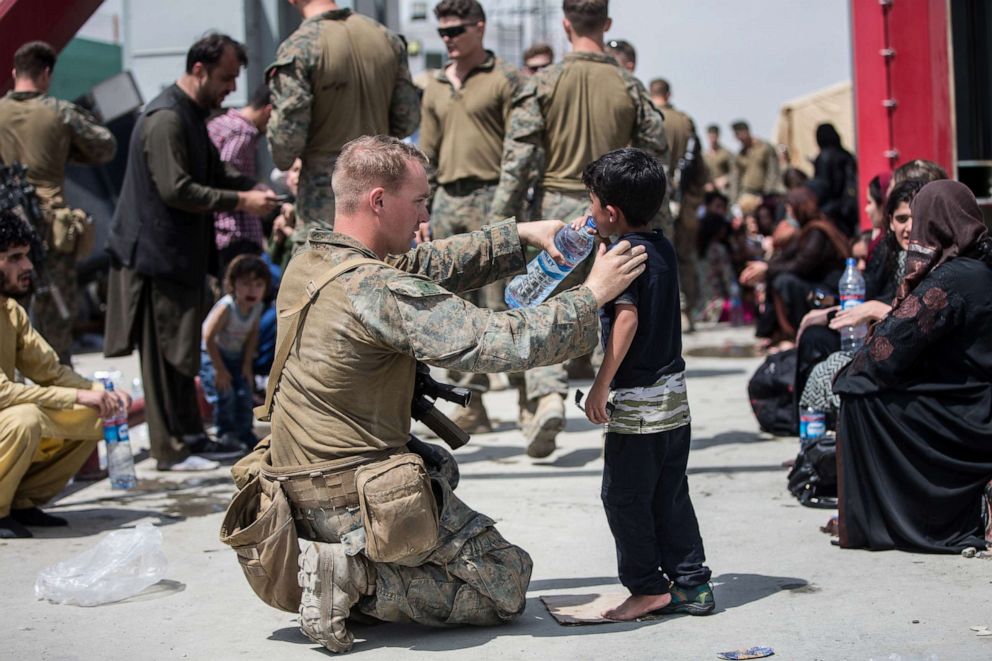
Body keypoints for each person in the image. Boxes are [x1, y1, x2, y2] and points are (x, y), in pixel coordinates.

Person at [261, 135, 648, 653]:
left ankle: (347, 567)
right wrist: (591, 295)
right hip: (344, 497)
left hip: (297, 490)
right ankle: (354, 576)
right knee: (505, 581)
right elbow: (495, 342)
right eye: (419, 201)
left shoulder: (314, 261)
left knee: (437, 466)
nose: (426, 215)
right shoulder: (376, 290)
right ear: (379, 200)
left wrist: (522, 237)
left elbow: (428, 265)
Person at [489, 0, 668, 457]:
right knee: (611, 305)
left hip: (558, 214)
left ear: (566, 25)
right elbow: (655, 151)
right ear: (606, 25)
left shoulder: (544, 82)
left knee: (544, 304)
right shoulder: (628, 85)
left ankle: (548, 393)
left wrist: (503, 220)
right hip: (619, 214)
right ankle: (609, 401)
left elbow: (520, 156)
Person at [104, 34, 279, 472]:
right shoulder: (165, 118)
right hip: (156, 257)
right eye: (225, 78)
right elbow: (176, 188)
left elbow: (213, 171)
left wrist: (250, 187)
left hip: (179, 256)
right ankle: (171, 449)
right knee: (165, 357)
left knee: (182, 353)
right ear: (199, 69)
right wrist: (241, 202)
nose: (230, 89)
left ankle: (192, 438)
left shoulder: (192, 115)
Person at [573, 148, 712, 621]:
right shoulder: (659, 245)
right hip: (674, 397)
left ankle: (648, 588)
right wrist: (599, 243)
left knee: (625, 496)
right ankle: (693, 584)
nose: (589, 211)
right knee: (669, 490)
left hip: (637, 401)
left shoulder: (622, 253)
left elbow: (626, 318)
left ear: (611, 211)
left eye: (592, 203)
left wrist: (600, 385)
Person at [834, 180, 992, 553]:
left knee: (857, 393)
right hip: (976, 401)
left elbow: (883, 355)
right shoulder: (980, 265)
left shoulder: (950, 279)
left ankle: (895, 521)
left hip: (970, 414)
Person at [419, 0, 523, 433]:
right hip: (447, 199)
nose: (449, 39)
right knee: (455, 307)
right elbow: (425, 156)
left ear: (480, 28)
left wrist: (507, 206)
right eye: (442, 31)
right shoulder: (436, 86)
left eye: (457, 29)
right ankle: (471, 402)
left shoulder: (505, 80)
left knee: (503, 304)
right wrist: (421, 207)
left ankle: (529, 399)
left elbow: (519, 151)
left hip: (492, 196)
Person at [0, 211, 130, 538]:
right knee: (25, 419)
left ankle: (21, 501)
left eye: (26, 257)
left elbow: (50, 371)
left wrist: (99, 391)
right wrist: (77, 394)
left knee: (97, 412)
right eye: (15, 258)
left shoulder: (10, 311)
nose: (28, 267)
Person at [0, 41, 117, 365]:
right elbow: (105, 146)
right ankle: (58, 393)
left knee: (6, 318)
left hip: (6, 230)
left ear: (14, 73)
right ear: (46, 74)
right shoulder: (59, 112)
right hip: (51, 231)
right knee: (56, 326)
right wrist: (66, 150)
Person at [266, 0, 420, 244]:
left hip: (327, 201)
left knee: (323, 276)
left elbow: (285, 146)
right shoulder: (384, 38)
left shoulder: (299, 47)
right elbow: (407, 119)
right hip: (382, 193)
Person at [796, 179, 924, 418]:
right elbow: (867, 297)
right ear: (890, 221)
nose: (908, 228)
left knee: (832, 363)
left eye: (916, 218)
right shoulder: (890, 253)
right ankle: (812, 436)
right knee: (814, 337)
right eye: (901, 219)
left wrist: (876, 311)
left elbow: (913, 316)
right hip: (874, 335)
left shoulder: (933, 261)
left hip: (908, 350)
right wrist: (829, 311)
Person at [741, 186, 849, 346]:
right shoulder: (806, 231)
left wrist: (767, 270)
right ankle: (776, 332)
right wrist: (764, 267)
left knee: (785, 282)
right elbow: (786, 258)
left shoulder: (817, 232)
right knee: (779, 277)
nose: (788, 214)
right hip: (816, 292)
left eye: (790, 209)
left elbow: (801, 265)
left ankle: (792, 334)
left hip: (828, 298)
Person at [649, 77, 708, 331]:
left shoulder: (649, 118)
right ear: (669, 93)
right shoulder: (685, 122)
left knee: (657, 255)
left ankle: (666, 312)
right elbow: (698, 167)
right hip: (683, 202)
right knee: (684, 257)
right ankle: (687, 311)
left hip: (656, 201)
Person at [199, 254, 270, 451]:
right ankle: (226, 434)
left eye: (258, 285)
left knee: (245, 392)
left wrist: (247, 365)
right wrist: (219, 369)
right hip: (213, 356)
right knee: (225, 394)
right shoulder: (227, 307)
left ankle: (245, 432)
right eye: (246, 284)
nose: (252, 290)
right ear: (232, 284)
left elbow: (252, 337)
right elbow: (208, 337)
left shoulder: (257, 308)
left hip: (236, 357)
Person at [208, 84, 274, 273]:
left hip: (219, 233)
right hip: (236, 233)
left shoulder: (221, 122)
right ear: (268, 111)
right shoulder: (243, 134)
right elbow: (226, 175)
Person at [811, 122, 858, 236]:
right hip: (849, 208)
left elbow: (823, 187)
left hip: (831, 211)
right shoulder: (847, 155)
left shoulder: (823, 157)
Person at [729, 120, 782, 205]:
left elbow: (773, 171)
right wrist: (734, 200)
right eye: (736, 135)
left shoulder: (764, 148)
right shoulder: (739, 155)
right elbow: (735, 178)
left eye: (739, 134)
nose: (738, 138)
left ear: (746, 132)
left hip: (763, 194)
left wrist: (768, 192)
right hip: (746, 194)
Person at [703, 124, 732, 197]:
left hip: (723, 191)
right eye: (710, 137)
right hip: (708, 192)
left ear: (718, 136)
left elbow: (735, 172)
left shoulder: (726, 154)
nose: (712, 139)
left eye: (714, 136)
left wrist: (726, 179)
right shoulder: (704, 156)